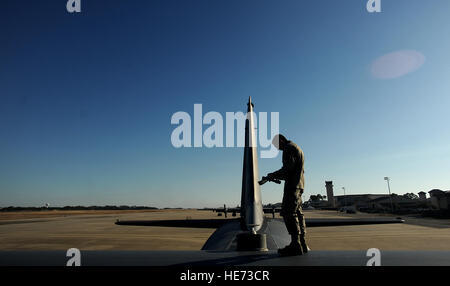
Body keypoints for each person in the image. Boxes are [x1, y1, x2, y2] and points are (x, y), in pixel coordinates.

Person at [265, 134, 309, 256]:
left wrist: (273, 175)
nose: (277, 148)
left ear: (281, 140)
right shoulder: (297, 147)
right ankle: (302, 243)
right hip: (299, 185)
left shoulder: (288, 148)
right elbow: (294, 169)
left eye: (276, 145)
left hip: (292, 186)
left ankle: (295, 245)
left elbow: (288, 169)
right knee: (298, 213)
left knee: (289, 213)